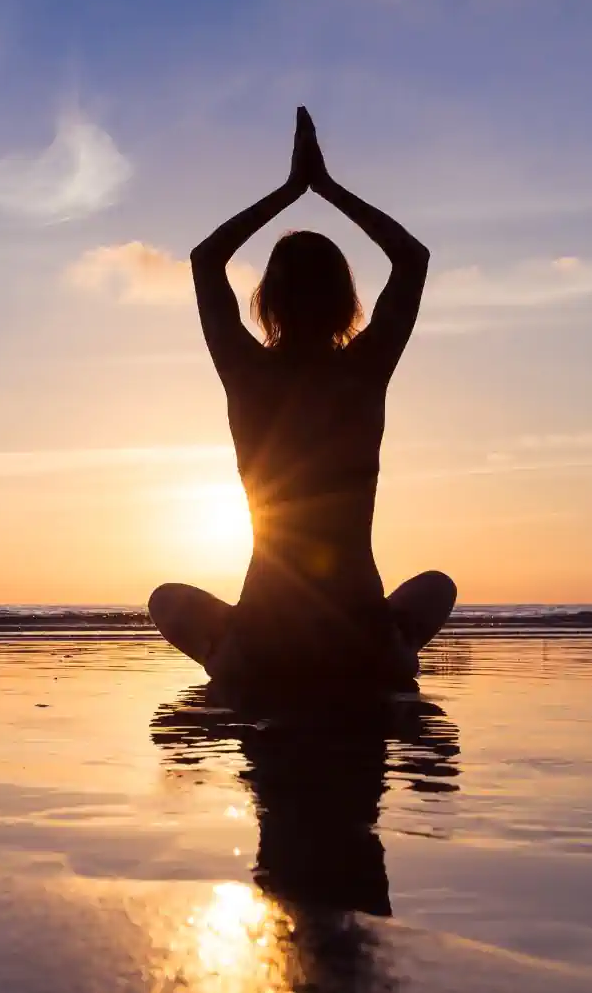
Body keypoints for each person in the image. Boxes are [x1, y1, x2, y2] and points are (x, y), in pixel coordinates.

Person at [149, 106, 456, 696]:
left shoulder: (246, 373)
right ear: (346, 302)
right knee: (437, 585)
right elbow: (412, 259)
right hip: (361, 644)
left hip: (264, 647)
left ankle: (230, 658)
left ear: (267, 302)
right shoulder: (365, 371)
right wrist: (327, 189)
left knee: (167, 599)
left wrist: (290, 190)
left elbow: (205, 259)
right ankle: (392, 652)